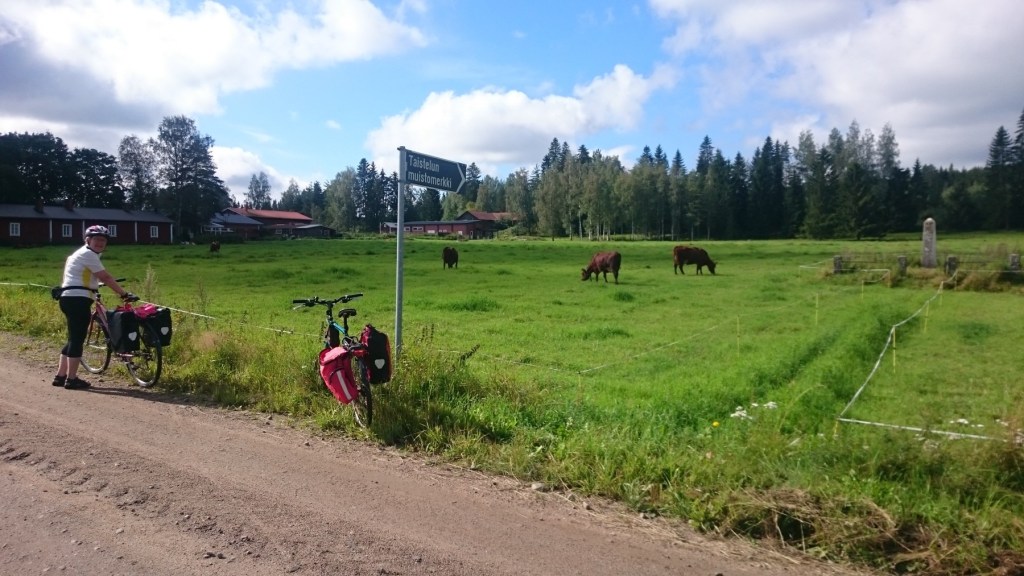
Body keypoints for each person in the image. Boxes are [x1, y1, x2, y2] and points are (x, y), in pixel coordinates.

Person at [54, 225, 136, 390]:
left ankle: (60, 376)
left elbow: (78, 276)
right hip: (78, 299)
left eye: (103, 240)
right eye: (96, 239)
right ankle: (72, 379)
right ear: (87, 240)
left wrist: (93, 284)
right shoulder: (88, 254)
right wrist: (123, 294)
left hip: (69, 298)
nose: (100, 243)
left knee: (73, 337)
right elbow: (105, 276)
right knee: (77, 339)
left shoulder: (77, 254)